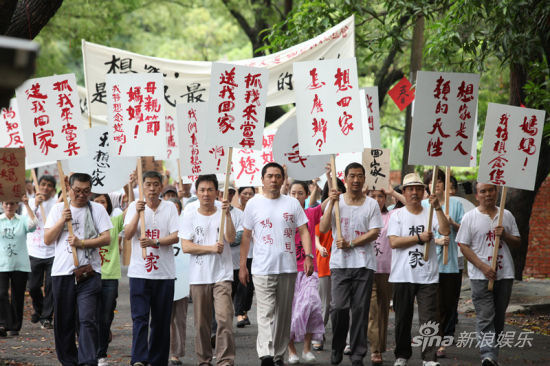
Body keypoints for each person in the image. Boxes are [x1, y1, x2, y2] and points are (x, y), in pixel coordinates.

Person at [239, 162, 314, 366]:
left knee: (283, 314)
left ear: (283, 179)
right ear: (262, 179)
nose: (273, 179)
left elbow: (304, 231)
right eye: (269, 176)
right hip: (262, 268)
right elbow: (246, 236)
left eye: (277, 176)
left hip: (288, 268)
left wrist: (309, 256)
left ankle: (279, 355)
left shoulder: (292, 203)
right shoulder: (253, 204)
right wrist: (243, 265)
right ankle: (266, 354)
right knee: (265, 311)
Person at [44, 173, 112, 366]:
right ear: (69, 189)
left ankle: (88, 361)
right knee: (64, 321)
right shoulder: (59, 209)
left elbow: (107, 238)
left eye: (86, 191)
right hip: (62, 273)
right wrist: (62, 221)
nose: (82, 195)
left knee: (87, 318)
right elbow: (48, 239)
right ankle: (68, 360)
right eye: (77, 191)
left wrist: (82, 243)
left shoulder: (97, 209)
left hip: (89, 273)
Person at [319, 162, 383, 366]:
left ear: (364, 179)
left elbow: (375, 232)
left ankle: (357, 354)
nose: (356, 180)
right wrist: (331, 202)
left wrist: (352, 243)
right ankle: (338, 346)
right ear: (345, 179)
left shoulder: (371, 204)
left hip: (364, 264)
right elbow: (322, 227)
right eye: (352, 176)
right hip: (339, 264)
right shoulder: (337, 202)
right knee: (337, 307)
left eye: (360, 176)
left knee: (360, 310)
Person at [387, 173, 450, 366]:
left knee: (429, 319)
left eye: (418, 188)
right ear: (404, 192)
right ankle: (402, 355)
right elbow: (394, 242)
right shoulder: (397, 215)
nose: (414, 192)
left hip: (427, 276)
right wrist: (418, 238)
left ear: (424, 191)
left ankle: (429, 358)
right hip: (402, 275)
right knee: (402, 319)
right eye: (410, 189)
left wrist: (438, 207)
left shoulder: (430, 212)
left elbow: (446, 231)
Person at [456, 183, 521, 366]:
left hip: (504, 273)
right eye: (483, 191)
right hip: (480, 276)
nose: (487, 194)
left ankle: (493, 354)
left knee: (498, 317)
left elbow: (517, 241)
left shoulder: (505, 215)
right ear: (477, 195)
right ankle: (488, 355)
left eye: (491, 190)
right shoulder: (470, 217)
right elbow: (463, 245)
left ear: (497, 191)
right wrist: (482, 266)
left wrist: (505, 235)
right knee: (485, 316)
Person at [124, 171, 180, 366]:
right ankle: (139, 358)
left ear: (161, 186)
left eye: (156, 184)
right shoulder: (134, 206)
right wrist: (137, 214)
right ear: (142, 186)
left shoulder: (170, 208)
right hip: (139, 273)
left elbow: (175, 236)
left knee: (161, 321)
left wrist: (155, 241)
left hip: (164, 274)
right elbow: (128, 234)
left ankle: (157, 360)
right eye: (148, 184)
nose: (152, 189)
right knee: (139, 318)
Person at [180, 174, 237, 366]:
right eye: (202, 190)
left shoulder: (224, 212)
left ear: (217, 193)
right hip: (199, 276)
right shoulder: (189, 212)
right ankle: (204, 360)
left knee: (224, 318)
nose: (206, 194)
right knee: (201, 323)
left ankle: (225, 360)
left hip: (222, 274)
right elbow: (186, 246)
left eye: (210, 190)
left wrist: (228, 215)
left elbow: (230, 238)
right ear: (197, 192)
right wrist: (211, 248)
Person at [421, 169, 464, 358]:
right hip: (430, 262)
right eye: (432, 182)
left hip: (451, 263)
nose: (436, 184)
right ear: (427, 186)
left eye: (439, 181)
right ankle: (435, 340)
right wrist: (436, 241)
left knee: (448, 304)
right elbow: (419, 231)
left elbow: (465, 230)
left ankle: (444, 336)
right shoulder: (423, 205)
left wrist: (453, 224)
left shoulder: (455, 204)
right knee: (433, 304)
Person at [287, 181, 326, 364]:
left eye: (300, 193)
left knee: (311, 304)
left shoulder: (311, 213)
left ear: (306, 195)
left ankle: (307, 348)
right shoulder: (283, 216)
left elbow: (326, 204)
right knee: (289, 310)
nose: (296, 197)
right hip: (288, 271)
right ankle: (292, 351)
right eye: (293, 193)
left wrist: (328, 184)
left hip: (310, 269)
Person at [312, 178, 347, 352]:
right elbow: (316, 236)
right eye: (333, 189)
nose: (337, 192)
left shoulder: (349, 208)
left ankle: (346, 338)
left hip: (344, 261)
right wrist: (320, 248)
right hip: (324, 261)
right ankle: (319, 334)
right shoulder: (321, 211)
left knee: (341, 303)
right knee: (324, 302)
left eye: (340, 189)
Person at [92, 193, 125, 366]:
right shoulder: (86, 223)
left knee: (105, 316)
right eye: (95, 202)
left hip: (110, 276)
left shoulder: (115, 222)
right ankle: (93, 351)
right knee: (90, 316)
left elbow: (132, 209)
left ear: (108, 205)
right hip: (90, 275)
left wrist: (130, 185)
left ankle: (101, 353)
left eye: (102, 202)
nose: (99, 205)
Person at [0, 195, 38, 337]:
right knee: (1, 293)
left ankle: (15, 326)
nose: (9, 206)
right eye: (6, 204)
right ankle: (4, 323)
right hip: (2, 263)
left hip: (20, 263)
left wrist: (27, 205)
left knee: (18, 295)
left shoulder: (22, 220)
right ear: (2, 205)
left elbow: (34, 224)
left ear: (17, 205)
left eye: (12, 204)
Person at [367, 188, 394, 365]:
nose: (377, 200)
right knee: (372, 311)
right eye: (373, 196)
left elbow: (409, 205)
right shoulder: (363, 214)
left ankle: (380, 346)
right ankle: (375, 349)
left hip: (387, 270)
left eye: (381, 196)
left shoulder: (392, 216)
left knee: (383, 310)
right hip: (368, 269)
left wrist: (393, 191)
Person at [26, 175, 57, 329]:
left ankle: (46, 317)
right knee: (33, 286)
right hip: (34, 251)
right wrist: (35, 205)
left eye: (49, 185)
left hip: (53, 251)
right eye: (43, 184)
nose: (45, 187)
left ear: (53, 189)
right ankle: (39, 310)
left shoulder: (57, 203)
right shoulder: (30, 202)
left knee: (51, 286)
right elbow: (27, 222)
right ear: (37, 185)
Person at [167, 197, 189, 366]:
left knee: (180, 319)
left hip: (182, 280)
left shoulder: (186, 228)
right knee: (163, 318)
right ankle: (162, 350)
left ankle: (176, 353)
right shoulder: (159, 226)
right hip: (163, 278)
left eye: (175, 208)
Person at [234, 186, 256, 327]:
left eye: (250, 194)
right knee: (241, 284)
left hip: (254, 253)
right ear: (239, 195)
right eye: (245, 193)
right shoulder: (235, 212)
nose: (247, 196)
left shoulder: (257, 211)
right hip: (239, 254)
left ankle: (244, 311)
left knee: (250, 286)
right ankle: (239, 313)